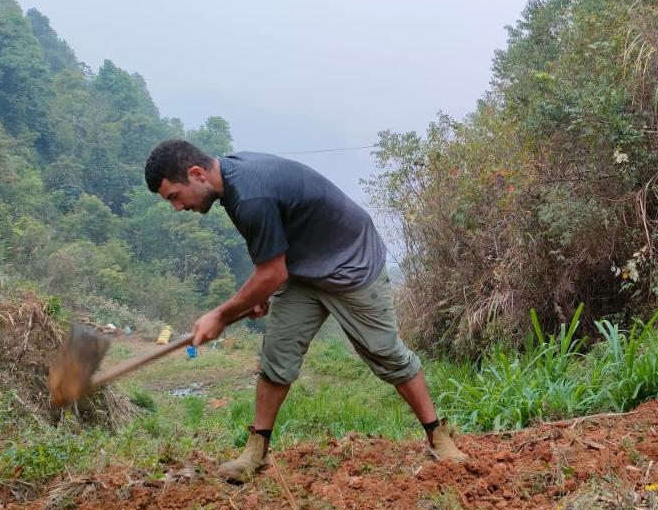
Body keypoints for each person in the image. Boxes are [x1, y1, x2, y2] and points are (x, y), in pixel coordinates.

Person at [144, 139, 467, 482]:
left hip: (352, 264)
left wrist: (221, 316)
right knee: (277, 357)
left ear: (196, 174)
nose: (177, 207)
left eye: (174, 197)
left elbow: (272, 272)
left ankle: (437, 435)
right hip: (301, 271)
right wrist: (260, 292)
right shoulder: (231, 185)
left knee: (386, 353)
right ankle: (257, 450)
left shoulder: (250, 194)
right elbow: (271, 257)